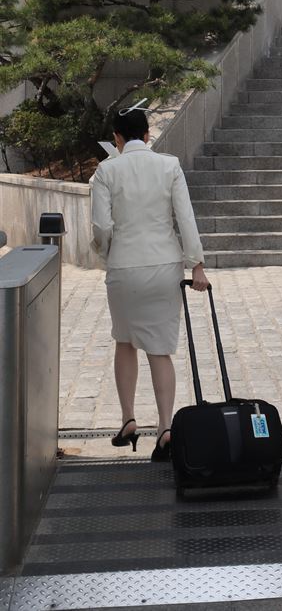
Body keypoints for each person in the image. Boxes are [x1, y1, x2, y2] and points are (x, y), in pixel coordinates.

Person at [91, 103, 209, 463]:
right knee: (160, 350)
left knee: (124, 341)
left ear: (117, 138)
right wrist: (198, 266)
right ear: (147, 134)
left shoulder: (106, 170)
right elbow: (185, 218)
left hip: (124, 268)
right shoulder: (169, 165)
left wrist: (109, 251)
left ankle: (128, 419)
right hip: (164, 266)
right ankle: (165, 428)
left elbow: (101, 226)